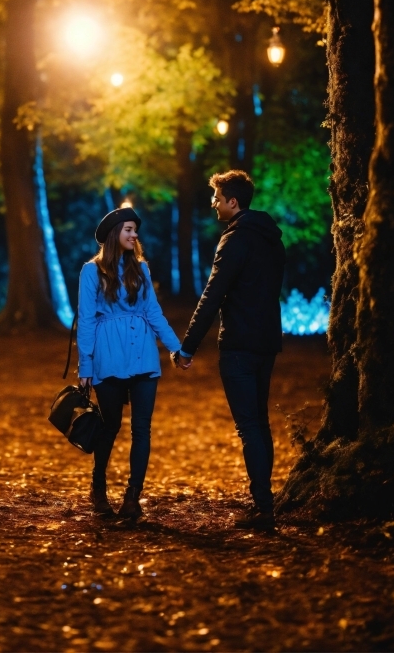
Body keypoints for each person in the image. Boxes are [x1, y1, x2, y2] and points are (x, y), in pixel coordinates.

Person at [177, 170, 285, 530]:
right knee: (260, 422)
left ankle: (263, 508)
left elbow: (213, 295)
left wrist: (187, 347)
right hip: (266, 342)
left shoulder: (234, 240)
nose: (213, 204)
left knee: (249, 426)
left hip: (239, 344)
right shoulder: (271, 238)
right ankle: (265, 503)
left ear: (232, 202)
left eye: (217, 198)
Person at [77, 206, 182, 519]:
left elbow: (153, 312)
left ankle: (132, 496)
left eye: (135, 230)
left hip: (143, 354)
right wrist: (85, 367)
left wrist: (177, 349)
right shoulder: (91, 271)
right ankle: (98, 485)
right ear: (114, 235)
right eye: (128, 229)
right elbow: (85, 321)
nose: (135, 235)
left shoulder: (141, 269)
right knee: (110, 425)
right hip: (108, 356)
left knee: (142, 429)